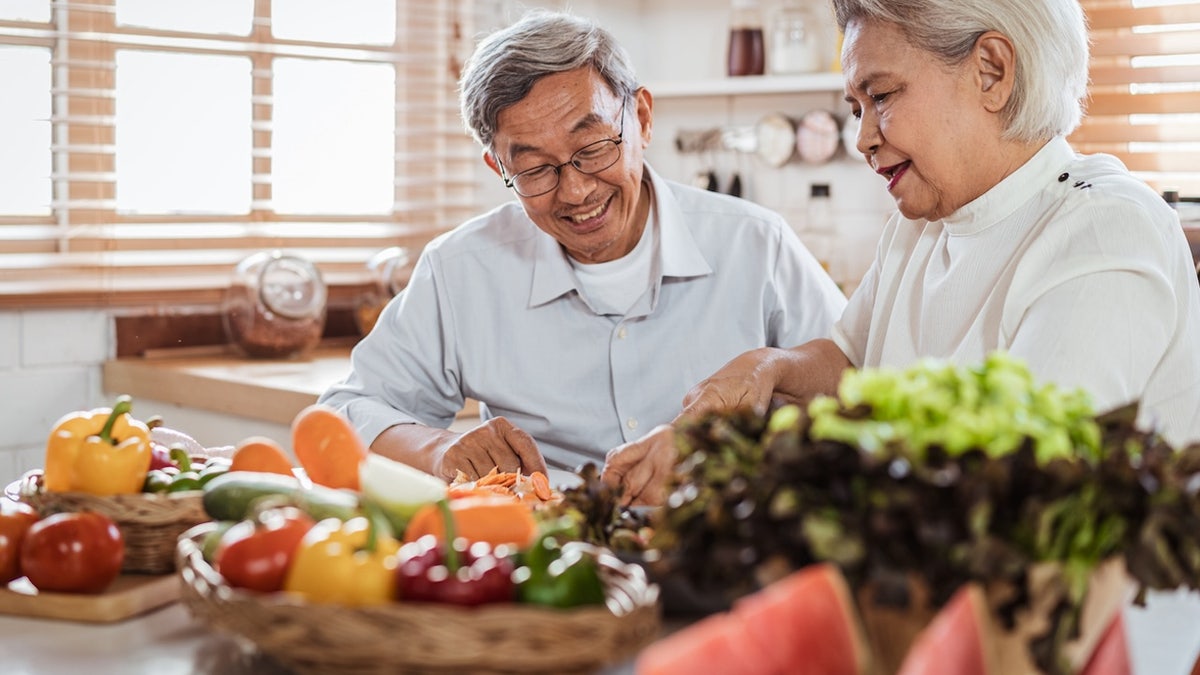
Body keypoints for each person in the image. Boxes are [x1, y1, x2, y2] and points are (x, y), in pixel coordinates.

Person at [604, 0, 1200, 503]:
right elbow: (853, 367)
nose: (864, 138)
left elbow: (1025, 489)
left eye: (882, 96)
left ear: (991, 71)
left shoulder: (1101, 228)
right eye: (856, 108)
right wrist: (769, 370)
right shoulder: (924, 221)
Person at [317, 9, 846, 487]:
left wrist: (763, 384)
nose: (576, 191)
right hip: (545, 565)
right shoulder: (461, 270)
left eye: (592, 148)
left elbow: (859, 383)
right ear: (498, 169)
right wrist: (437, 449)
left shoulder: (756, 243)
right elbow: (345, 410)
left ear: (640, 118)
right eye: (534, 169)